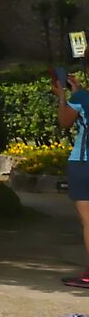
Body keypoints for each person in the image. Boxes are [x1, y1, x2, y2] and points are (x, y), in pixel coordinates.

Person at [61, 68, 89, 290]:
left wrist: (63, 95)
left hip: (84, 163)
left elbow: (64, 121)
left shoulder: (81, 98)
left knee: (88, 221)